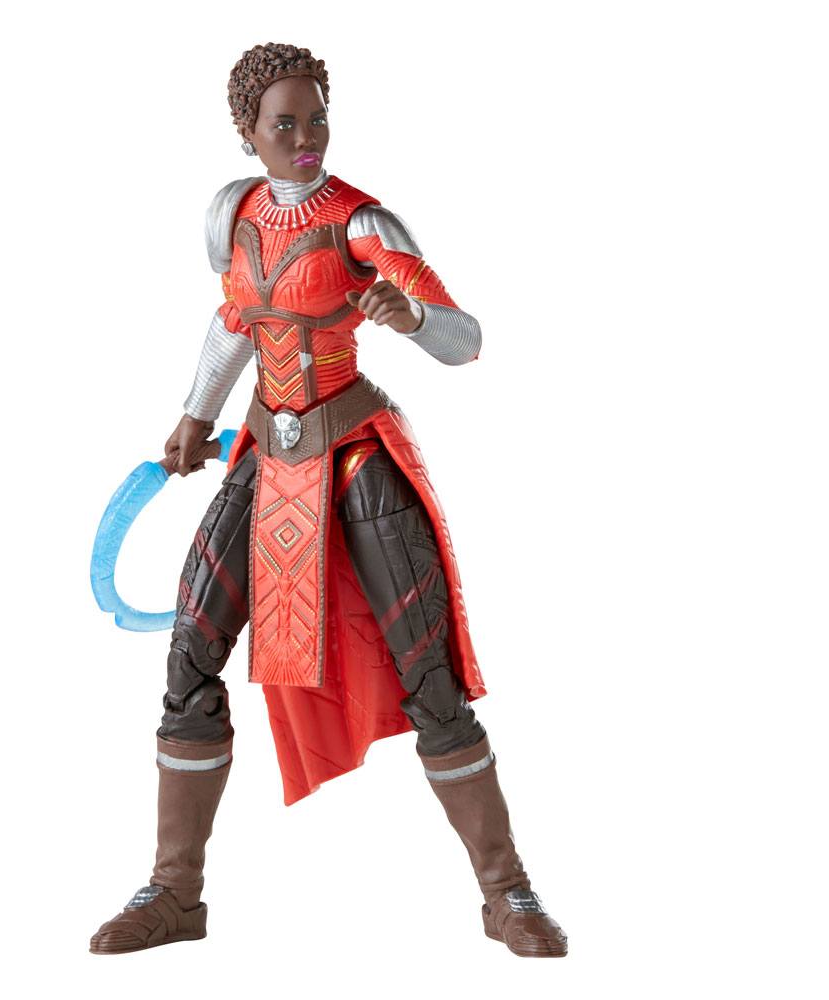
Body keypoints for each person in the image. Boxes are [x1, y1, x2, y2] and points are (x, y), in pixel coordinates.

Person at [90, 42, 567, 958]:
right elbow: (237, 320)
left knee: (430, 676)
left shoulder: (363, 225)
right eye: (286, 124)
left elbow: (466, 339)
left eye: (317, 119)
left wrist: (412, 316)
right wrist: (194, 414)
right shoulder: (234, 216)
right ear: (248, 132)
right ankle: (174, 892)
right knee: (191, 651)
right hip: (266, 458)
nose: (306, 138)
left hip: (353, 456)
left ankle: (506, 892)